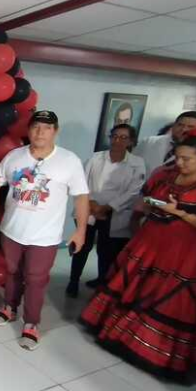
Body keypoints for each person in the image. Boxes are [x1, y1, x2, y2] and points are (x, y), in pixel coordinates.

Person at [81, 131, 196, 378]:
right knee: (135, 288)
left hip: (184, 253)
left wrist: (182, 214)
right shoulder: (165, 175)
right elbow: (144, 199)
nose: (180, 163)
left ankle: (152, 350)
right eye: (178, 157)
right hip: (150, 243)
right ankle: (120, 335)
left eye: (187, 159)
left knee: (168, 298)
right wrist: (143, 211)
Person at [0, 111, 89, 350]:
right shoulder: (14, 156)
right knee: (12, 272)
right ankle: (9, 308)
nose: (40, 132)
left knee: (35, 279)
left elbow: (81, 196)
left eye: (47, 128)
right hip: (12, 230)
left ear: (55, 131)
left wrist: (81, 230)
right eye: (36, 127)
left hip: (45, 236)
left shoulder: (69, 160)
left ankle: (31, 323)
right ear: (29, 130)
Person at [66, 124, 146, 297]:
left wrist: (107, 207)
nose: (117, 140)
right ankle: (73, 281)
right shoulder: (96, 158)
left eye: (123, 137)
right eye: (114, 136)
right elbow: (81, 181)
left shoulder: (137, 163)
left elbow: (133, 191)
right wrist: (92, 204)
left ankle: (102, 282)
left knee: (106, 251)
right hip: (89, 208)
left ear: (131, 141)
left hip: (115, 212)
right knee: (82, 247)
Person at [134, 111, 196, 176]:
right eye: (180, 125)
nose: (184, 129)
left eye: (190, 127)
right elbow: (131, 164)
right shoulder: (149, 142)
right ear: (174, 125)